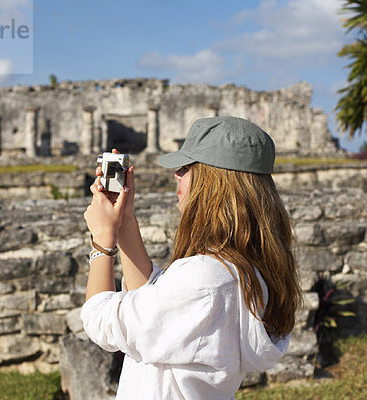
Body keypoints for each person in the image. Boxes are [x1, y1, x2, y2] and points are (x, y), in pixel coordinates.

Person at [81, 116, 302, 399]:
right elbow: (154, 301)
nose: (177, 174)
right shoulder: (241, 269)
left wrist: (102, 240)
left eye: (187, 167)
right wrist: (124, 223)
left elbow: (100, 319)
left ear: (214, 182)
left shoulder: (203, 281)